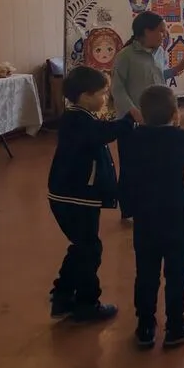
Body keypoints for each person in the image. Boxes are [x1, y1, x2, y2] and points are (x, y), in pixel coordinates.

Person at [47, 66, 134, 322]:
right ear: (85, 96)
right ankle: (87, 303)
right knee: (89, 249)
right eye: (102, 93)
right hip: (74, 198)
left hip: (75, 196)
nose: (105, 98)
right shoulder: (76, 120)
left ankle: (63, 296)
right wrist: (129, 120)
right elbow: (103, 133)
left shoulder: (81, 117)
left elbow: (100, 130)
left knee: (82, 247)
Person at [129, 85, 184, 348]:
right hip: (174, 213)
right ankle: (175, 326)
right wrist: (175, 126)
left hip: (144, 215)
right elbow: (182, 159)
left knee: (145, 271)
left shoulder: (134, 139)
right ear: (175, 113)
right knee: (177, 271)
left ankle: (145, 327)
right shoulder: (182, 139)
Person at [112, 11, 184, 220]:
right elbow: (117, 89)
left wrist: (175, 70)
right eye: (161, 31)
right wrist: (133, 111)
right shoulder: (125, 56)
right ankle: (128, 210)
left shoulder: (159, 52)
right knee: (130, 166)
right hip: (132, 121)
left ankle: (148, 204)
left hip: (157, 120)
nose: (164, 35)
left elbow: (159, 76)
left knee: (153, 165)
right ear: (146, 31)